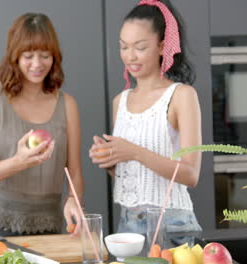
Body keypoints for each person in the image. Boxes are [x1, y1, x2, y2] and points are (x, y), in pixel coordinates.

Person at [89, 0, 202, 246]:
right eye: (123, 47)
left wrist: (134, 152)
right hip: (127, 224)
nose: (130, 56)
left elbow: (191, 174)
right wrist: (110, 159)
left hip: (172, 225)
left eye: (140, 47)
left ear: (162, 46)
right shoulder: (121, 101)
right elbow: (132, 179)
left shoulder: (181, 96)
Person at [0, 13, 83, 243]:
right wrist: (19, 161)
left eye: (45, 55)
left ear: (55, 57)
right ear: (15, 56)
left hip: (48, 227)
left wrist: (73, 198)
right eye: (28, 55)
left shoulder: (67, 104)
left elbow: (75, 174)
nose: (37, 64)